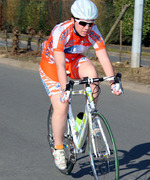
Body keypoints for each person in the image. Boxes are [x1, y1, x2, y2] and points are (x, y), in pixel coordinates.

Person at [39, 0, 123, 170]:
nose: (87, 27)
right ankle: (58, 148)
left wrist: (113, 81)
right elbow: (60, 65)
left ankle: (89, 116)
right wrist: (65, 89)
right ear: (73, 20)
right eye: (83, 23)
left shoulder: (93, 32)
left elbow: (104, 57)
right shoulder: (61, 31)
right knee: (62, 106)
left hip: (75, 60)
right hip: (53, 65)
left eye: (90, 23)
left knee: (93, 75)